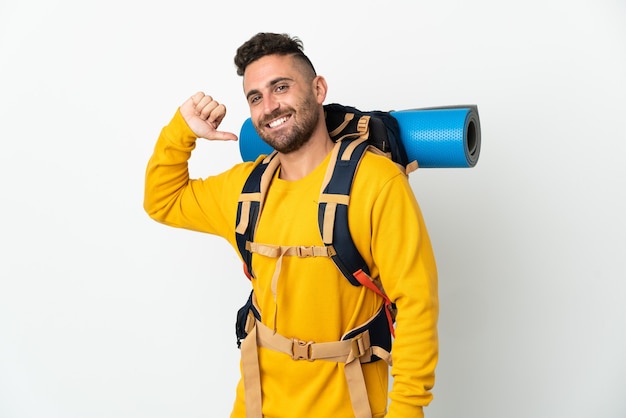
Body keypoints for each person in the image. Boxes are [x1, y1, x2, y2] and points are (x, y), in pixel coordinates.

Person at [144, 32, 438, 418]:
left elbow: (417, 306)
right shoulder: (245, 189)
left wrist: (407, 410)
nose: (269, 106)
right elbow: (162, 201)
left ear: (318, 89)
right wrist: (181, 131)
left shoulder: (376, 184)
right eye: (255, 97)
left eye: (280, 87)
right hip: (255, 406)